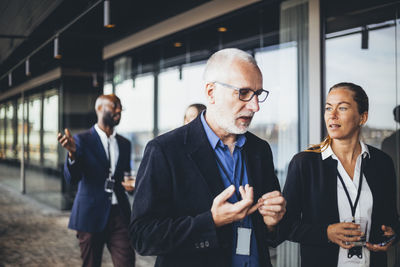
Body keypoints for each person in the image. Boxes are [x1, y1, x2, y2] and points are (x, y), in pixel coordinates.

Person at [129, 48, 286, 267]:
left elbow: (269, 233)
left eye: (258, 94)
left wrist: (271, 223)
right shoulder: (164, 150)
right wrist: (211, 222)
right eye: (243, 93)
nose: (255, 106)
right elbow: (142, 236)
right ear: (211, 92)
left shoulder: (260, 150)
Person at [281, 82, 400, 267]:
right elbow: (284, 226)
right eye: (328, 108)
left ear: (362, 117)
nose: (332, 115)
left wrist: (393, 235)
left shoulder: (382, 163)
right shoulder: (304, 163)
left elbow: (392, 219)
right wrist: (326, 233)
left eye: (342, 107)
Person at [57, 94, 135, 267]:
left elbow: (125, 177)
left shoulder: (125, 143)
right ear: (99, 108)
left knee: (127, 262)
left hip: (119, 215)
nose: (119, 110)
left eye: (120, 107)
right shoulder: (80, 140)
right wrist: (72, 154)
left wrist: (131, 187)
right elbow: (72, 179)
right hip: (89, 214)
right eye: (114, 106)